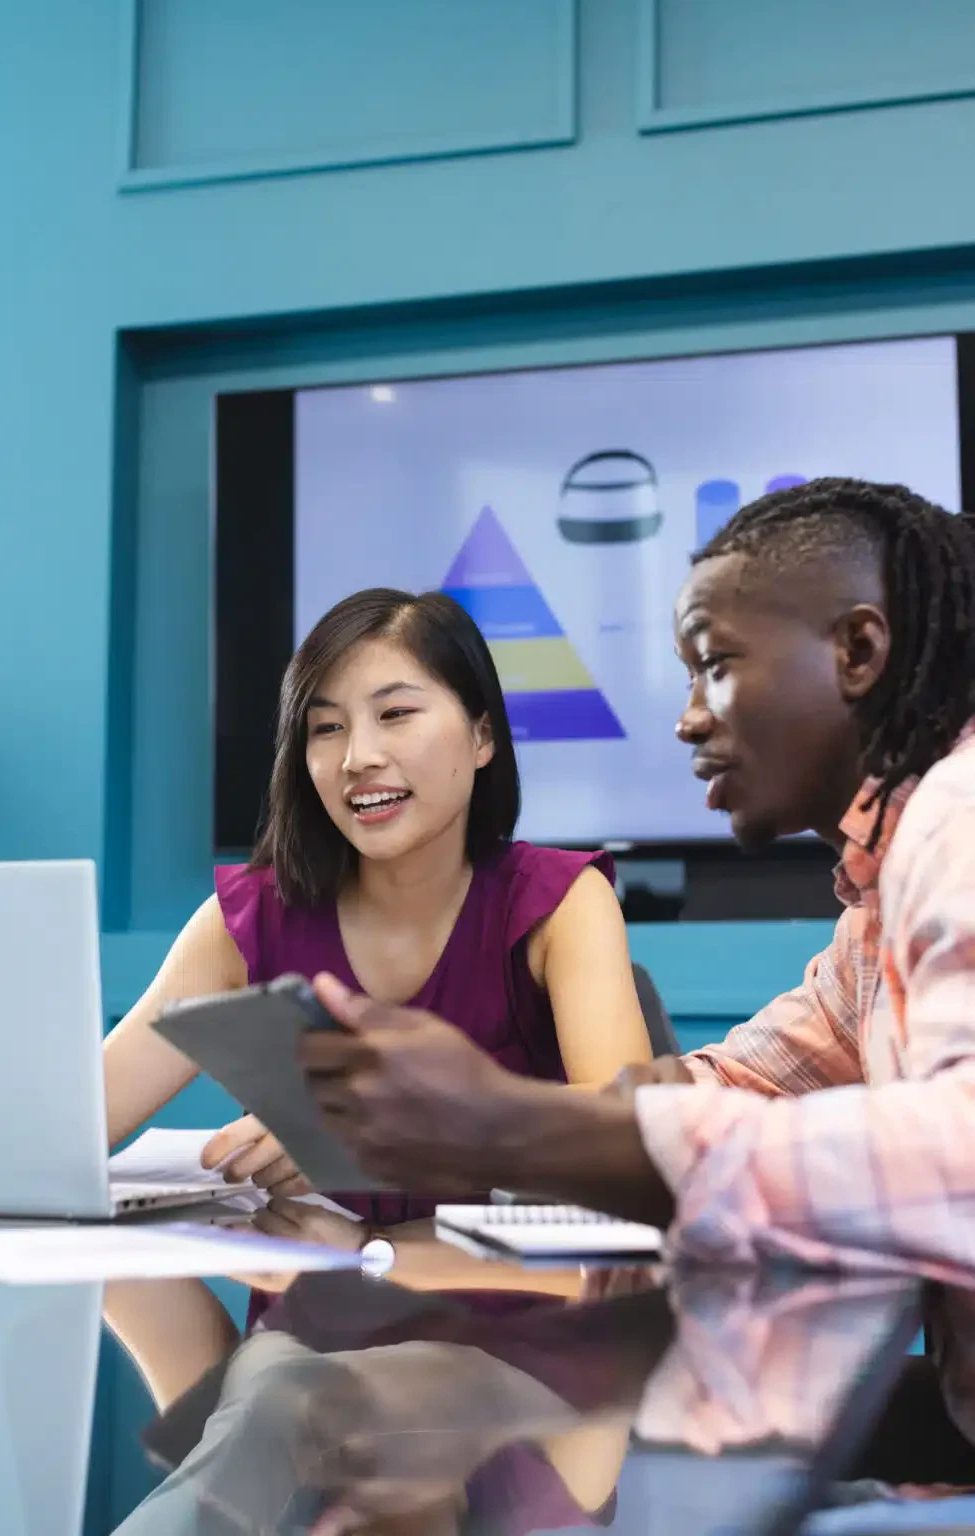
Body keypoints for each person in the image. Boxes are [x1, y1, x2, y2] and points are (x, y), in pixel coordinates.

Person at [297, 478, 975, 1282]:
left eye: (713, 665)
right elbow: (738, 1085)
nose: (686, 716)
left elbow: (955, 1162)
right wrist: (471, 1118)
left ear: (857, 653)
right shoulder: (873, 914)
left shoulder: (956, 814)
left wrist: (511, 1122)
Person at [104, 587, 651, 1241]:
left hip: (526, 1323)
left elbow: (628, 1138)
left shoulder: (560, 901)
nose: (356, 757)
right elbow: (74, 1128)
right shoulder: (243, 920)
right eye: (326, 727)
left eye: (394, 713)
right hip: (306, 1330)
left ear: (482, 736)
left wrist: (367, 1128)